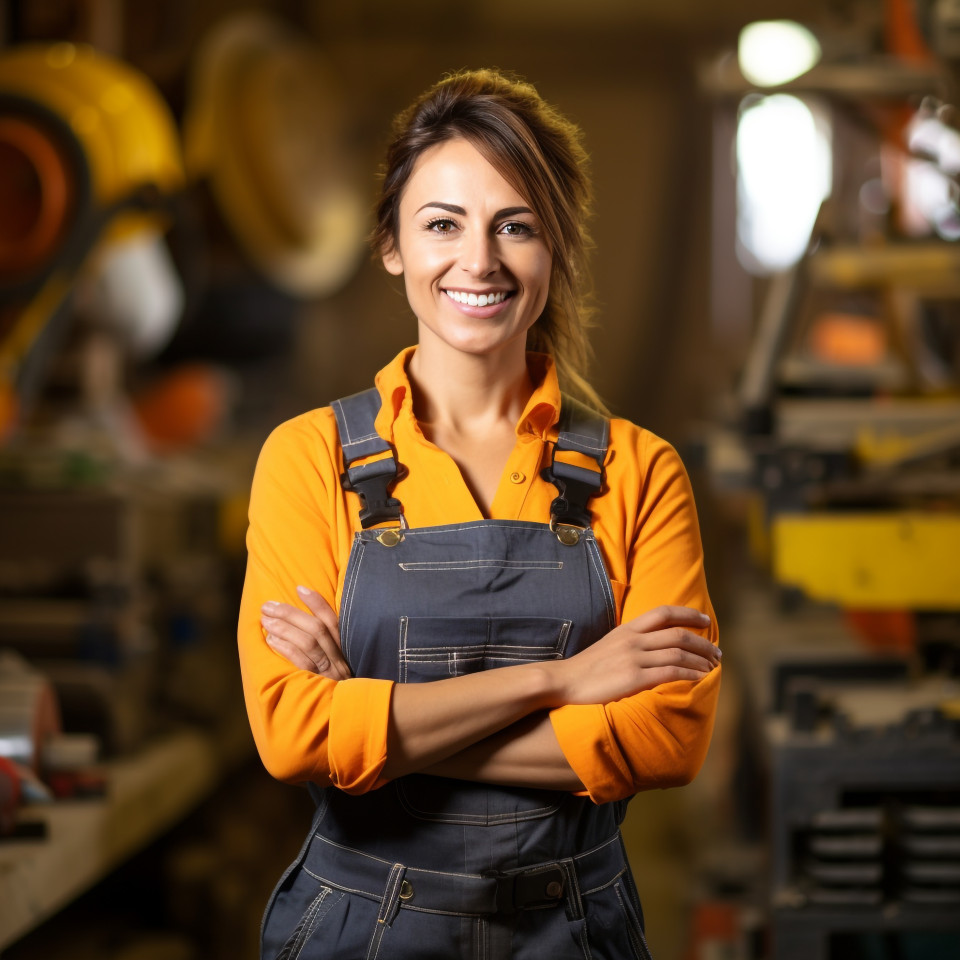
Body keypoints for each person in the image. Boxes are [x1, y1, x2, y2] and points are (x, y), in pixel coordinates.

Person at [238, 68, 721, 960]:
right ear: (390, 245)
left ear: (558, 247)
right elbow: (292, 734)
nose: (480, 262)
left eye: (516, 226)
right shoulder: (310, 460)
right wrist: (563, 682)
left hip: (574, 933)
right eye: (442, 225)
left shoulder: (637, 471)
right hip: (357, 930)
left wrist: (378, 727)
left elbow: (665, 739)